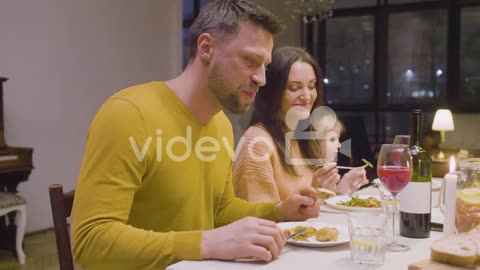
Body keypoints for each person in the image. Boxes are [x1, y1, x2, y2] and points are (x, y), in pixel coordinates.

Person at [71, 1, 322, 270]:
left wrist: (279, 211)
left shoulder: (221, 125)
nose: (261, 78)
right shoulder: (128, 115)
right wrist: (206, 243)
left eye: (265, 66)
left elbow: (221, 211)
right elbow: (90, 242)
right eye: (250, 61)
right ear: (206, 48)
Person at [233, 46, 368, 203]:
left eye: (311, 86)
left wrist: (338, 192)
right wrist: (316, 193)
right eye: (294, 88)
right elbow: (263, 222)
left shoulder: (304, 135)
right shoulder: (257, 143)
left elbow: (314, 210)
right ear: (273, 92)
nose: (307, 96)